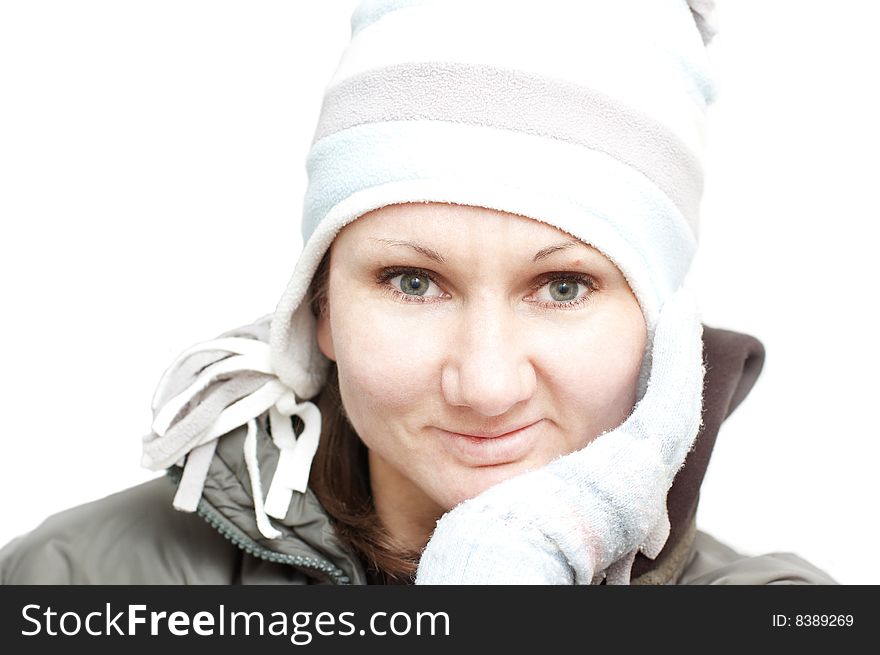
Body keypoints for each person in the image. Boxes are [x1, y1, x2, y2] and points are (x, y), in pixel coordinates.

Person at [0, 0, 836, 585]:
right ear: (318, 305)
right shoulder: (72, 583)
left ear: (660, 326)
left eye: (564, 285)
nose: (485, 382)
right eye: (413, 281)